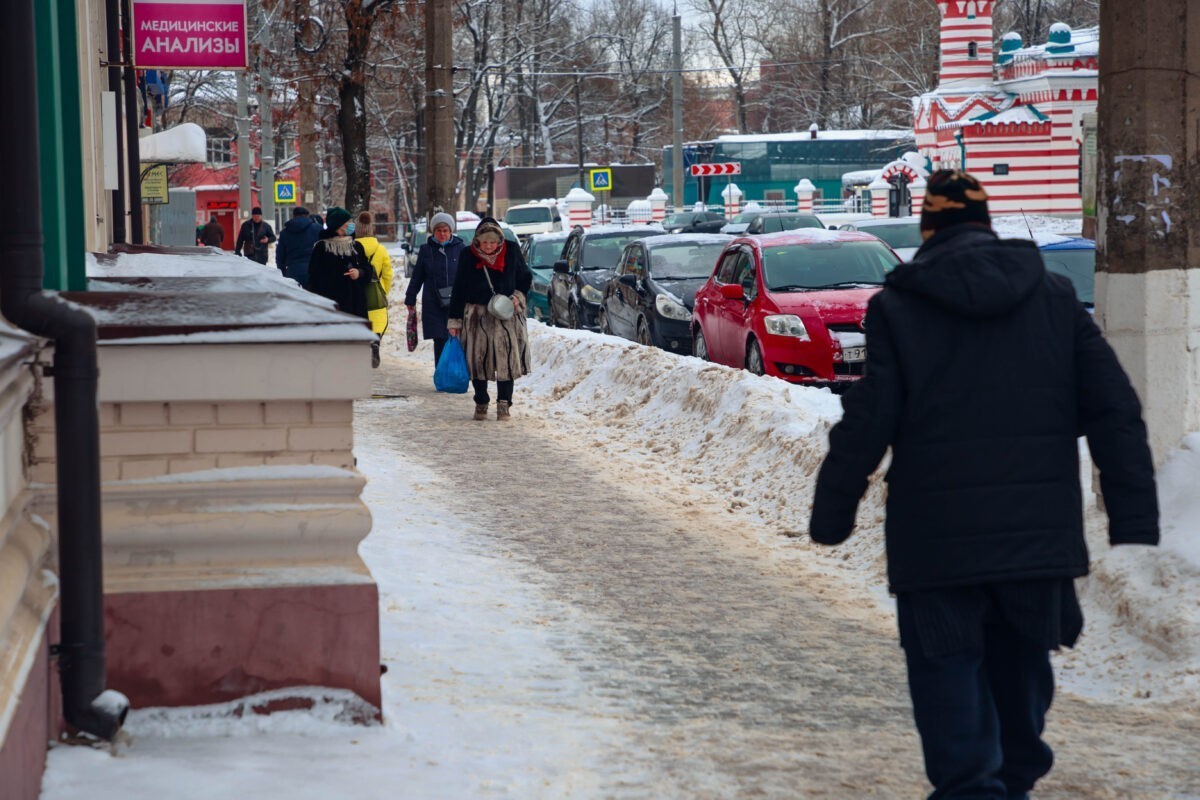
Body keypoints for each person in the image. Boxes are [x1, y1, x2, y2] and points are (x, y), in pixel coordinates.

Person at [809, 170, 1159, 800]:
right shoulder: (1053, 299)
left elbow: (869, 417)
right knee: (1022, 671)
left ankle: (973, 788)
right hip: (1036, 543)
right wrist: (1133, 516)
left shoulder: (898, 308)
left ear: (929, 230)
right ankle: (1014, 781)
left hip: (937, 546)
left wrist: (833, 511)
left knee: (948, 678)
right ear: (985, 223)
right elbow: (1115, 409)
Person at [446, 217, 532, 421]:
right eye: (484, 242)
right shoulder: (468, 255)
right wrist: (454, 320)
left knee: (507, 361)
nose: (489, 246)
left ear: (499, 240)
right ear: (477, 241)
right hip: (477, 317)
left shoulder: (511, 251)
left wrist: (517, 298)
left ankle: (504, 404)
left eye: (493, 242)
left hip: (505, 314)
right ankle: (481, 401)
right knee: (478, 362)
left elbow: (525, 278)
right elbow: (458, 289)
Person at [307, 206, 377, 366]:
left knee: (355, 346)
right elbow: (313, 277)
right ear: (339, 226)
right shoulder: (322, 247)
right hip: (332, 306)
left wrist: (359, 273)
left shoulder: (356, 246)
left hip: (356, 305)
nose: (352, 225)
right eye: (348, 222)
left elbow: (368, 269)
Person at [405, 212, 465, 366]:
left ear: (451, 231)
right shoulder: (426, 250)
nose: (442, 234)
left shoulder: (460, 248)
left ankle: (457, 372)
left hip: (456, 301)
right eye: (439, 230)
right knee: (440, 339)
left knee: (457, 336)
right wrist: (410, 296)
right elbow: (417, 276)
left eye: (445, 230)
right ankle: (441, 373)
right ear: (433, 232)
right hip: (434, 302)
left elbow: (468, 275)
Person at [353, 211, 394, 365]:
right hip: (376, 292)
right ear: (371, 229)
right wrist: (384, 290)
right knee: (376, 319)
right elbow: (388, 274)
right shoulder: (381, 249)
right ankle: (375, 343)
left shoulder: (352, 248)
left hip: (357, 291)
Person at [275, 206, 322, 288]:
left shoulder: (284, 233)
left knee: (296, 298)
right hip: (314, 270)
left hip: (293, 271)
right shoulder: (318, 229)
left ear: (293, 216)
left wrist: (283, 272)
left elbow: (280, 255)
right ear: (307, 216)